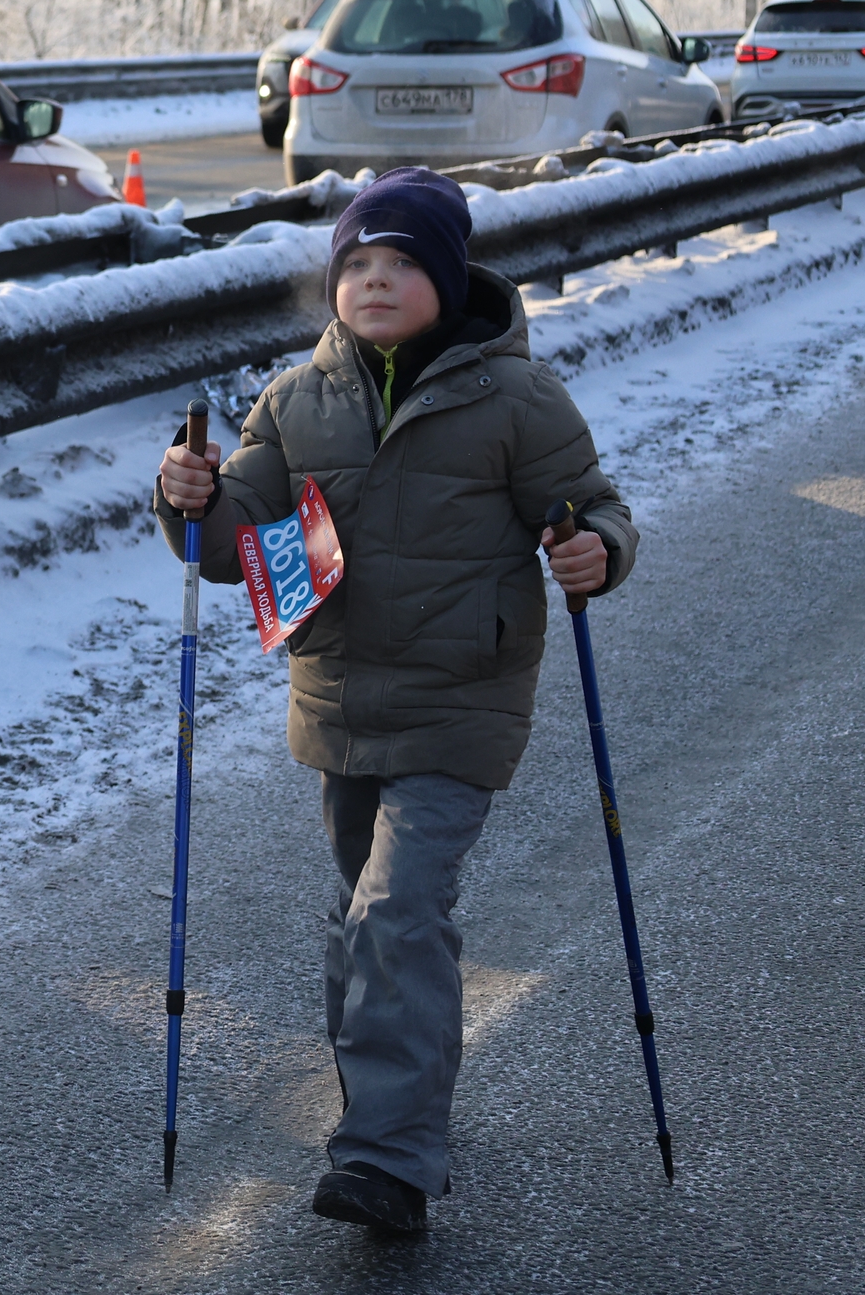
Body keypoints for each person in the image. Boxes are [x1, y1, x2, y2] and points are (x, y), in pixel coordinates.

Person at [153, 166, 638, 1233]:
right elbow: (231, 540)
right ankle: (388, 1107)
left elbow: (593, 506)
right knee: (362, 913)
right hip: (338, 701)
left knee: (395, 909)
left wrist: (595, 547)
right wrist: (187, 496)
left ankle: (388, 1155)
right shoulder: (294, 400)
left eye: (403, 263)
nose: (375, 280)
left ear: (449, 281)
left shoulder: (517, 399)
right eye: (358, 262)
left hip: (464, 700)